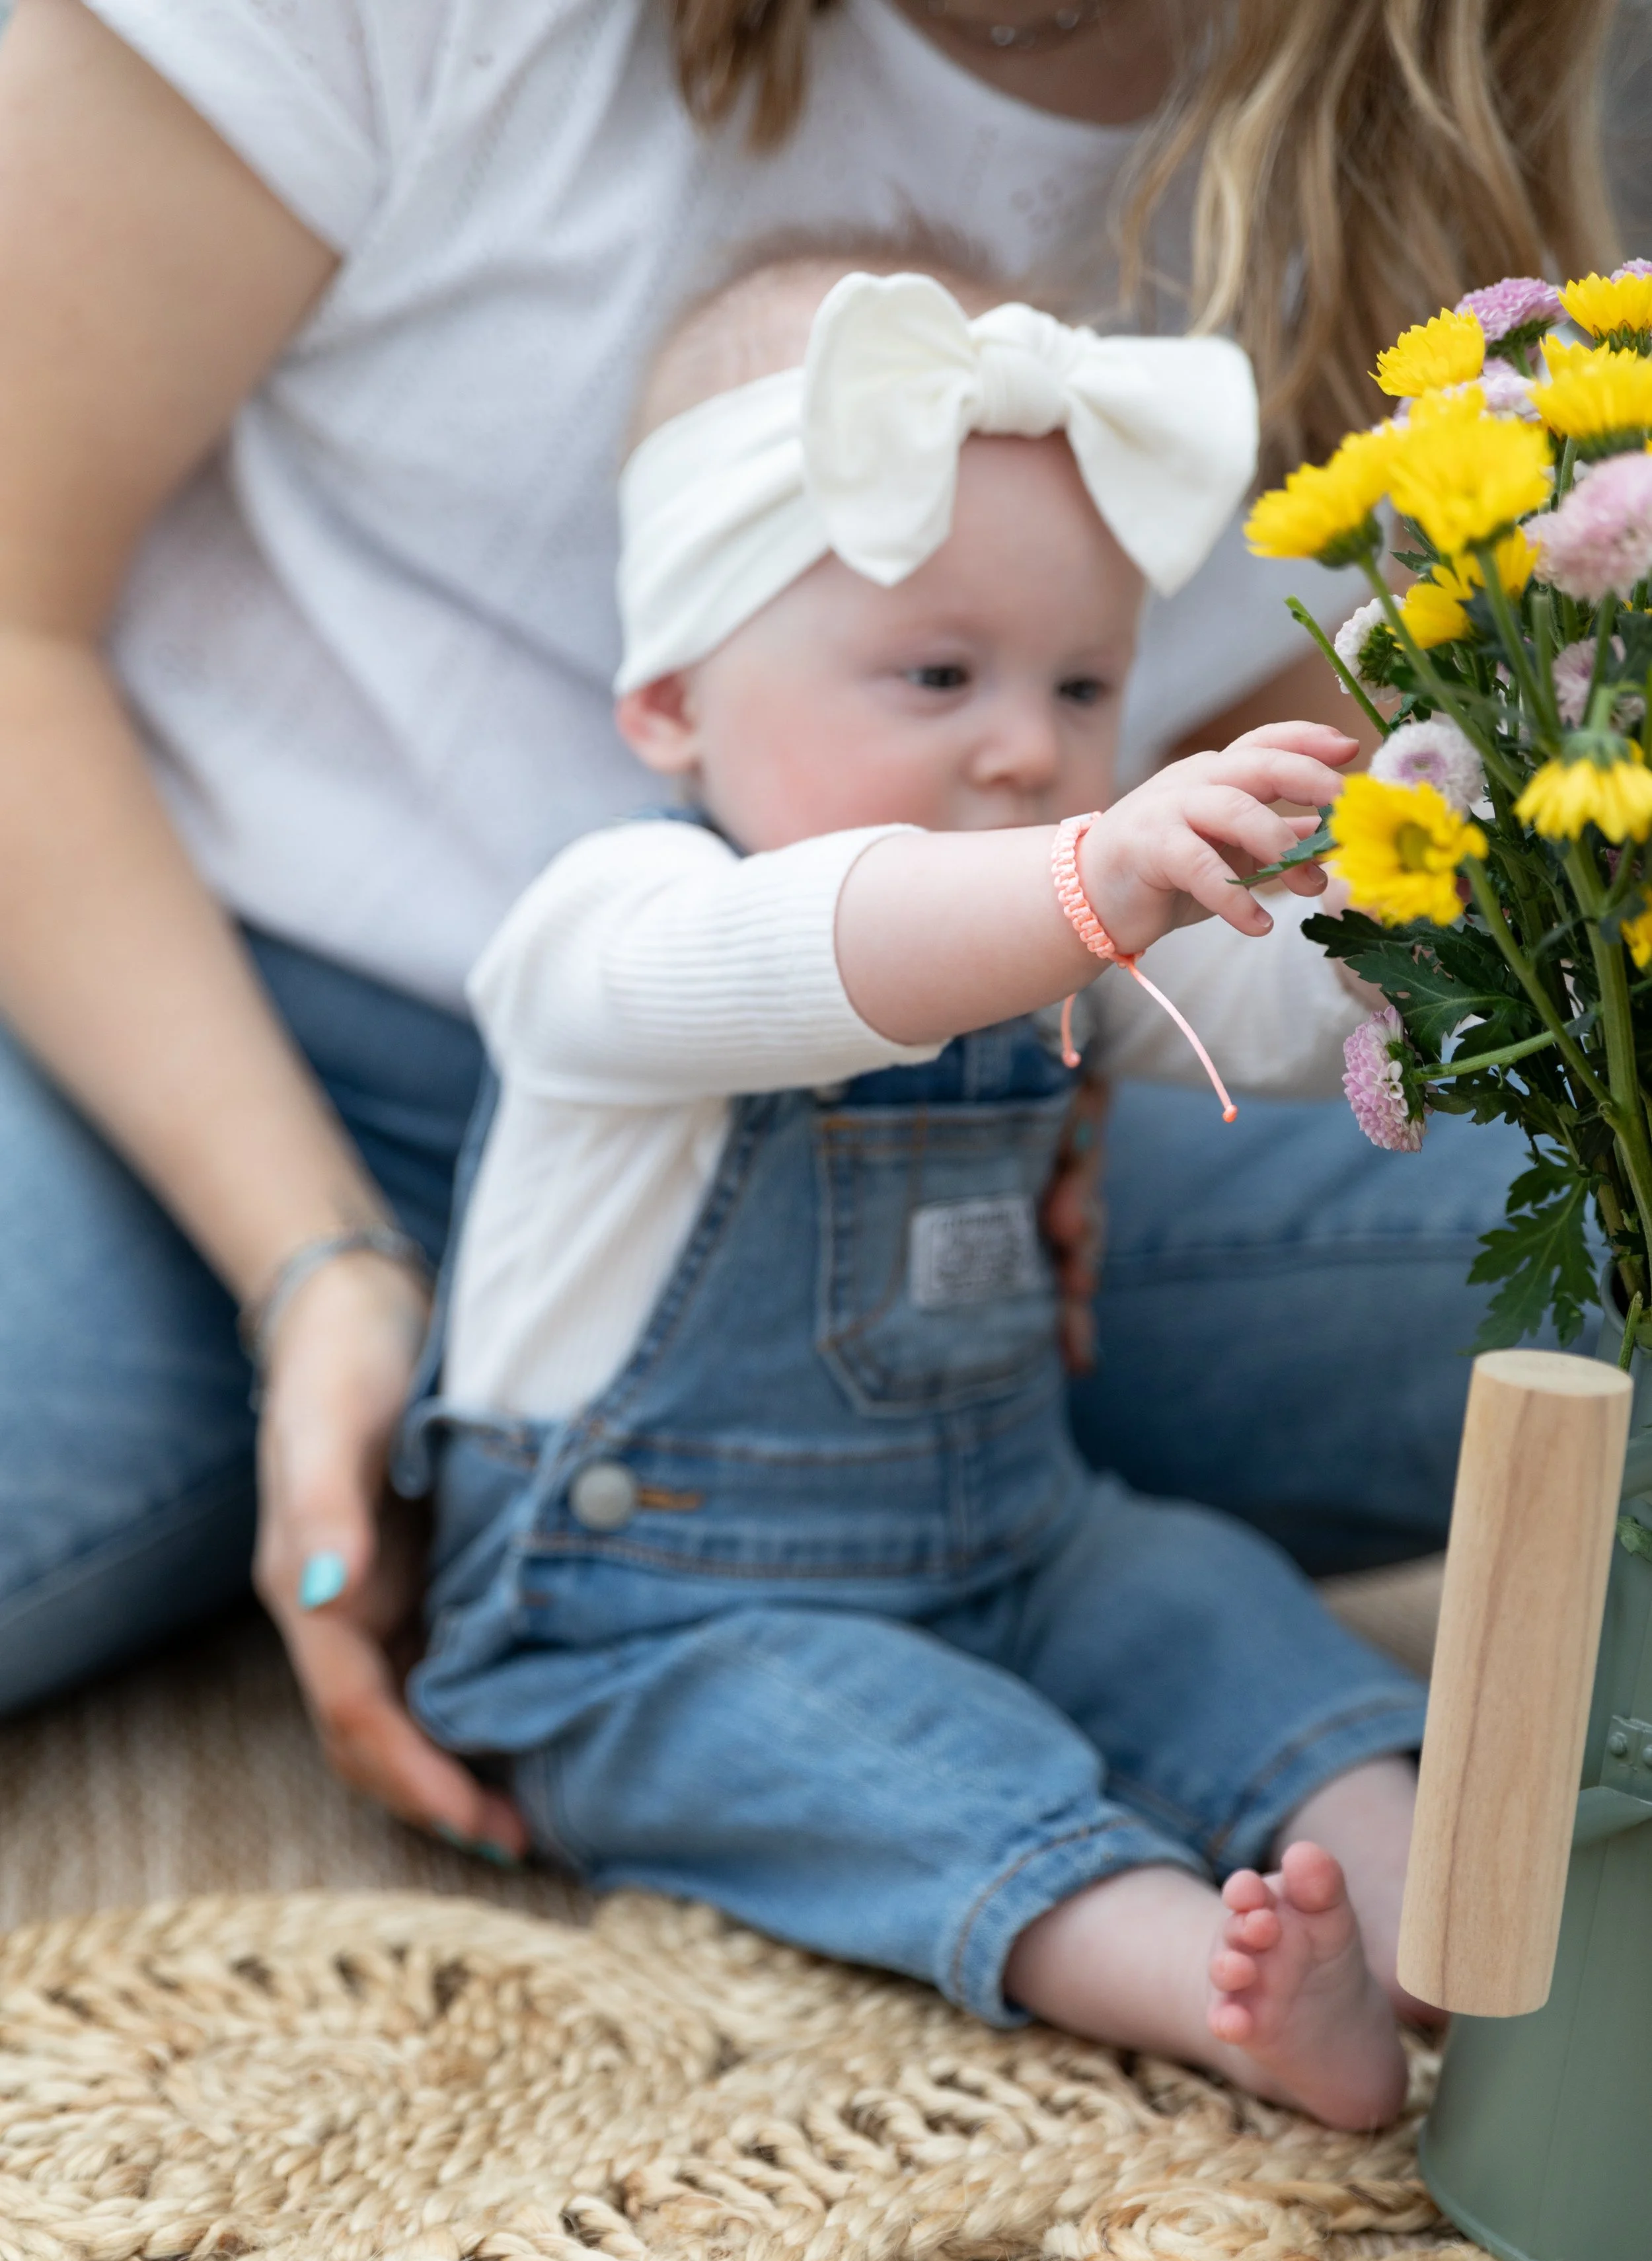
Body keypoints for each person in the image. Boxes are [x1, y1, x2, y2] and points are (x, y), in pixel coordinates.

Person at [0, 0, 1611, 1860]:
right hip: (190, 1041)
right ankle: (445, 1503)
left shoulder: (1420, 162)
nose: (1015, 724)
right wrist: (313, 1266)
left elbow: (1241, 851)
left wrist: (1158, 1009)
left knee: (1585, 1250)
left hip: (933, 1189)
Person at [405, 250, 1431, 2127]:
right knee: (882, 1758)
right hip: (649, 1617)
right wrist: (1082, 883)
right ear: (668, 703)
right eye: (938, 673)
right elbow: (820, 950)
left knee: (1207, 1601)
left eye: (1084, 681)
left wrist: (1426, 909)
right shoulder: (611, 928)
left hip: (1014, 1537)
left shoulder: (1060, 911)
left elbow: (1285, 1023)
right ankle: (1201, 1984)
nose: (1024, 744)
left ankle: (1426, 1884)